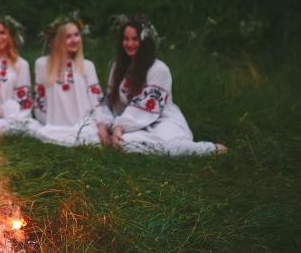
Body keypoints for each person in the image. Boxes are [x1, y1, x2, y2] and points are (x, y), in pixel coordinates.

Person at [102, 15, 227, 156]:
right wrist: (105, 124)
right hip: (133, 125)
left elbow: (144, 108)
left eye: (135, 39)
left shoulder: (158, 69)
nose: (129, 44)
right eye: (126, 39)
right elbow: (110, 101)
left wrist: (119, 126)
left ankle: (209, 149)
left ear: (144, 41)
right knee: (121, 142)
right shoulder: (117, 67)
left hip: (161, 121)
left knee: (164, 146)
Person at [29, 14, 113, 146]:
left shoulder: (87, 66)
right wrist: (47, 121)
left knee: (86, 137)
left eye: (76, 35)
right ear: (58, 40)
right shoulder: (43, 64)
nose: (74, 40)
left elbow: (96, 100)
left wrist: (102, 125)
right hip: (54, 125)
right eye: (68, 37)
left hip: (82, 125)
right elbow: (40, 100)